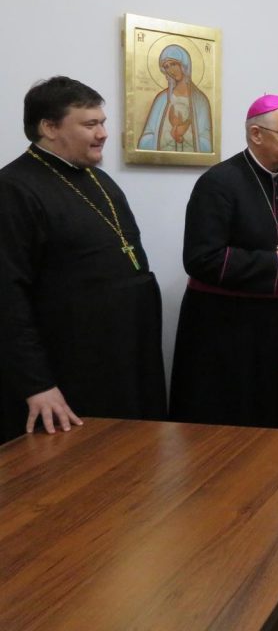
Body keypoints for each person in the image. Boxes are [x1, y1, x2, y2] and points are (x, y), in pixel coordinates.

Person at [0, 76, 166, 442]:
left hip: (123, 360)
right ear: (49, 127)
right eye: (90, 124)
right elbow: (7, 297)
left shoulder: (99, 180)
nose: (104, 133)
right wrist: (37, 384)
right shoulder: (13, 188)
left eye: (103, 122)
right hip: (68, 370)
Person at [168, 94, 278, 427]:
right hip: (224, 331)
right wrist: (276, 264)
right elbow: (200, 258)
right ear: (256, 134)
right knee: (229, 421)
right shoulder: (218, 182)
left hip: (273, 325)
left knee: (272, 418)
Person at [138, 44, 213, 153]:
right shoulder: (161, 99)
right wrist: (169, 135)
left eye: (173, 64)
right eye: (166, 66)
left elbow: (207, 144)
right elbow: (146, 138)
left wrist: (183, 134)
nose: (170, 70)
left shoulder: (200, 101)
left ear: (184, 65)